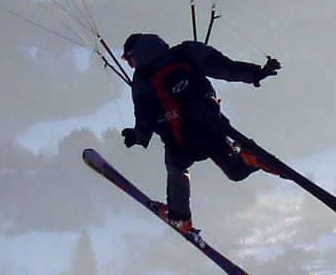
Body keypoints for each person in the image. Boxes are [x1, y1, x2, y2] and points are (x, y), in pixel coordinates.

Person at [120, 33, 282, 232]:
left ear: (136, 55)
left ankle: (180, 217)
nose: (131, 65)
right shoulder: (186, 52)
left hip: (183, 144)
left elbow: (145, 114)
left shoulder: (143, 79)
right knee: (235, 171)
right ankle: (249, 159)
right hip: (215, 129)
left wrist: (139, 134)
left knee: (176, 167)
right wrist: (257, 72)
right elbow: (226, 68)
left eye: (129, 60)